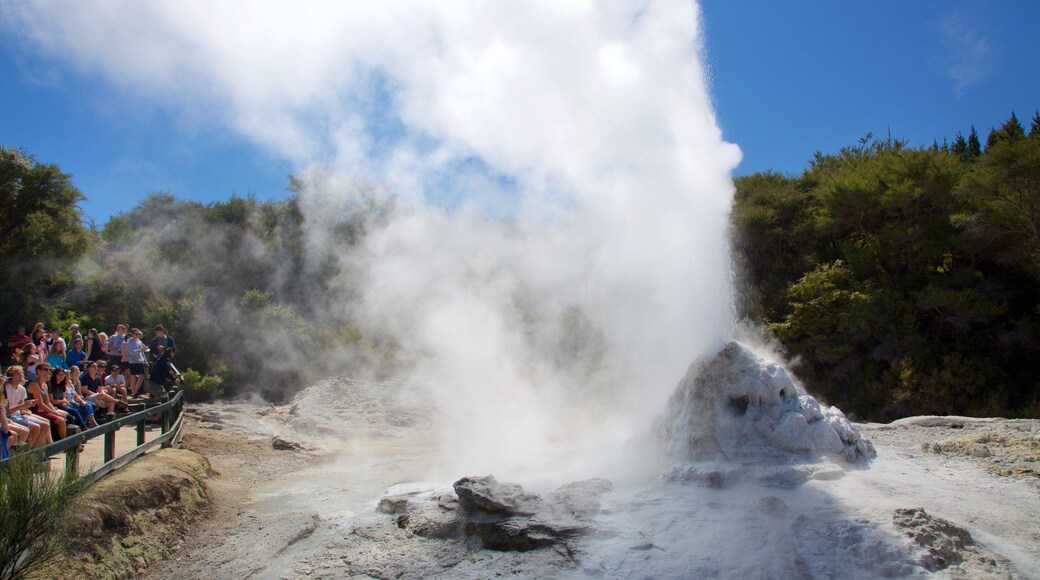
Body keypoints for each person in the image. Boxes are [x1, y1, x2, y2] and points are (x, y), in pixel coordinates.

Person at [4, 366, 51, 449]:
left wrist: (27, 407)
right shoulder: (6, 388)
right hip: (10, 415)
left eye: (22, 373)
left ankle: (33, 451)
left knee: (45, 425)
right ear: (12, 376)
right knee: (35, 427)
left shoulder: (22, 389)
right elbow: (8, 412)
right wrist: (23, 406)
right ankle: (26, 453)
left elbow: (21, 408)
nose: (22, 375)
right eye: (18, 374)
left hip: (18, 414)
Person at [25, 364, 68, 440]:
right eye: (45, 369)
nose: (48, 372)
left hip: (42, 410)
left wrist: (54, 411)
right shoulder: (34, 385)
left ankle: (57, 438)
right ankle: (64, 441)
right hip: (34, 410)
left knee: (64, 415)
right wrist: (54, 413)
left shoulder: (45, 385)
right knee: (60, 420)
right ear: (38, 371)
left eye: (49, 370)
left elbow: (48, 402)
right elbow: (40, 404)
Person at [123, 328, 147, 397]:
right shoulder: (129, 342)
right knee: (133, 377)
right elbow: (131, 352)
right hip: (133, 361)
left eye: (138, 334)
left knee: (141, 376)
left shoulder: (139, 341)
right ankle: (134, 392)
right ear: (132, 334)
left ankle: (136, 390)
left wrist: (143, 350)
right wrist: (140, 350)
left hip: (140, 361)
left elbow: (142, 351)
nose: (137, 335)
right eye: (136, 334)